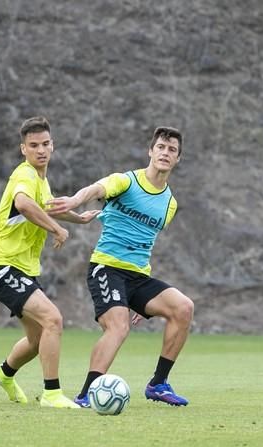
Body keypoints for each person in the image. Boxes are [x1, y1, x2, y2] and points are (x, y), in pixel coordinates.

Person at [46, 126, 194, 407]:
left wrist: (141, 301)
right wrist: (76, 200)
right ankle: (86, 394)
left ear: (178, 159)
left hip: (138, 276)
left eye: (171, 149)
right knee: (118, 326)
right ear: (150, 151)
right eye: (160, 147)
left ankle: (158, 384)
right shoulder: (126, 181)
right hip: (106, 268)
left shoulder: (170, 204)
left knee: (183, 308)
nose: (165, 153)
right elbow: (97, 188)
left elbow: (145, 243)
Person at [0, 116, 99, 409]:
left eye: (45, 144)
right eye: (33, 145)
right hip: (3, 268)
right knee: (54, 319)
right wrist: (56, 229)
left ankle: (4, 373)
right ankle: (51, 394)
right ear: (23, 149)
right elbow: (23, 204)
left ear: (53, 146)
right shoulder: (24, 175)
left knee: (37, 339)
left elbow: (47, 206)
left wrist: (78, 218)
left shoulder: (40, 181)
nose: (40, 150)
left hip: (22, 270)